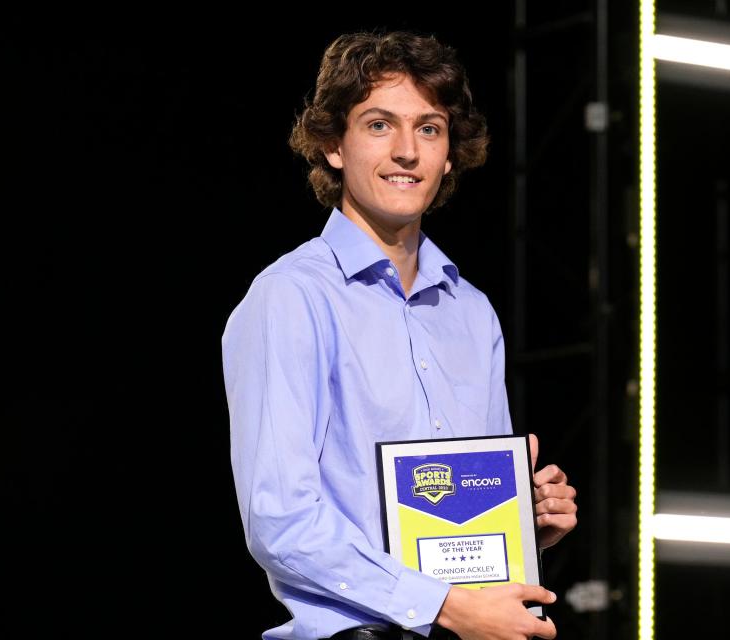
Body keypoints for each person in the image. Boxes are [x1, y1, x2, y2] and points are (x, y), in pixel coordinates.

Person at [222, 31, 577, 640]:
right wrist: (444, 605)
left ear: (449, 152)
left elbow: (458, 513)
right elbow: (281, 521)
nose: (408, 151)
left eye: (430, 128)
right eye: (380, 125)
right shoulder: (292, 297)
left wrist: (519, 524)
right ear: (334, 144)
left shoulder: (472, 312)